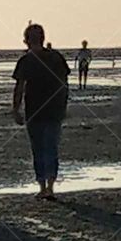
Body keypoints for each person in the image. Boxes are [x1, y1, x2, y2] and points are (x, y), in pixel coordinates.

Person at [12, 23, 70, 201]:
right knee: (51, 147)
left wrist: (15, 109)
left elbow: (19, 87)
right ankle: (50, 187)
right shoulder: (56, 57)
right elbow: (64, 84)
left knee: (38, 148)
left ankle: (43, 186)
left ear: (26, 41)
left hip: (35, 111)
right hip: (54, 110)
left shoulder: (26, 60)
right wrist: (64, 105)